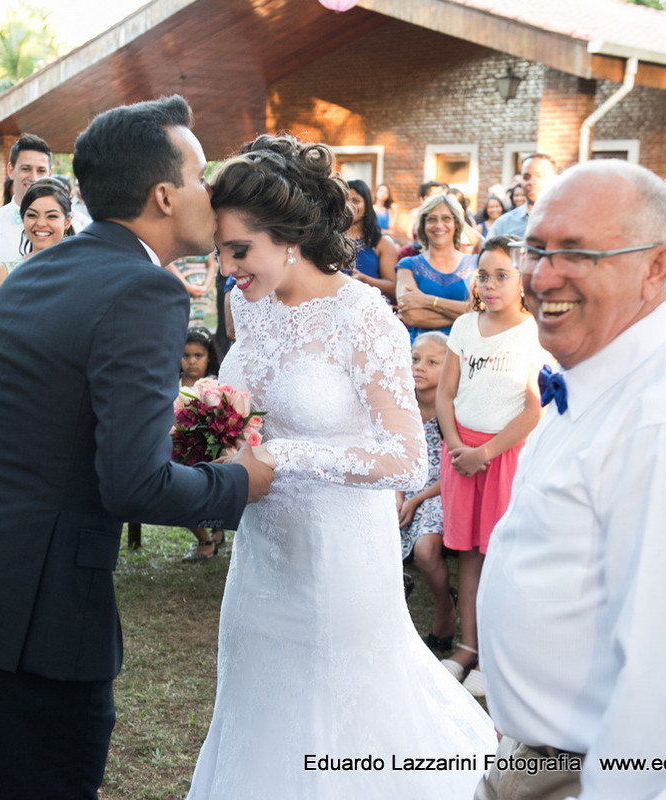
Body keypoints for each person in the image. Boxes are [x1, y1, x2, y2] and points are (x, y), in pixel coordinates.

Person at [0, 95, 273, 800]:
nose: (210, 191)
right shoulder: (145, 290)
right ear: (163, 194)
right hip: (41, 604)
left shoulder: (36, 270)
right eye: (200, 173)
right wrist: (240, 480)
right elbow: (134, 484)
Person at [188, 133, 496, 799]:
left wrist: (282, 455)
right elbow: (257, 403)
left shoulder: (363, 316)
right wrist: (223, 431)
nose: (226, 267)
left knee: (341, 716)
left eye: (238, 249)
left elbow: (406, 456)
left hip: (339, 559)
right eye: (221, 250)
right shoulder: (247, 302)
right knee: (259, 702)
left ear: (289, 235)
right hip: (264, 552)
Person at [475, 160, 666, 799]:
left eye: (577, 252)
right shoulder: (604, 377)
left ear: (657, 267)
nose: (541, 275)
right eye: (536, 248)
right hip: (546, 760)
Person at [435, 235, 545, 699]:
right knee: (468, 553)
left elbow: (532, 409)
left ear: (522, 281)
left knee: (499, 552)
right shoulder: (464, 326)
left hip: (502, 458)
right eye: (484, 274)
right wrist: (459, 446)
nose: (491, 284)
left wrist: (486, 453)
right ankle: (467, 646)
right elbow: (445, 393)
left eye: (503, 275)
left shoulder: (534, 332)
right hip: (461, 457)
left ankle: (497, 655)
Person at [396, 331, 454, 651]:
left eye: (432, 362)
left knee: (426, 549)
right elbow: (395, 455)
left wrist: (417, 498)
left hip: (440, 491)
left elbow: (455, 472)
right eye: (415, 358)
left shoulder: (453, 410)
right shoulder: (402, 407)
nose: (420, 367)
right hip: (403, 487)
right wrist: (400, 495)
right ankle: (391, 599)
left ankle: (445, 607)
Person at [0, 133, 53, 328]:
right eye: (26, 169)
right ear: (11, 170)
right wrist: (0, 334)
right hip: (5, 338)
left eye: (41, 170)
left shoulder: (77, 224)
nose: (34, 177)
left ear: (51, 173)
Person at [395, 193, 477, 341]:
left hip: (465, 351)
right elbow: (411, 316)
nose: (439, 225)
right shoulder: (408, 266)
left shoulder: (474, 264)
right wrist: (467, 314)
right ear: (423, 224)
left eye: (446, 218)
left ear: (457, 223)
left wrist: (426, 301)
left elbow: (481, 310)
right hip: (423, 354)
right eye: (432, 219)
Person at [178, 325, 226, 562]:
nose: (191, 362)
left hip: (207, 451)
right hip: (178, 449)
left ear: (209, 357)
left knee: (212, 488)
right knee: (181, 493)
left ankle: (218, 529)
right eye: (186, 355)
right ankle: (205, 540)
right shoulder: (172, 383)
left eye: (198, 356)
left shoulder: (215, 385)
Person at [0, 177, 72, 308]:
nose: (41, 223)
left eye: (52, 216)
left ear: (67, 222)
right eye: (32, 215)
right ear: (23, 218)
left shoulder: (80, 271)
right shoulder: (5, 273)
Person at [346, 179, 398, 300]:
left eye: (356, 200)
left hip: (370, 310)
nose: (349, 206)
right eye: (345, 201)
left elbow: (393, 288)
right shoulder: (329, 239)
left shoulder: (382, 242)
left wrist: (365, 279)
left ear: (367, 204)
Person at [489, 153, 558, 239]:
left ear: (556, 179)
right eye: (526, 177)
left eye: (539, 176)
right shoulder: (504, 224)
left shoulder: (570, 220)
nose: (531, 182)